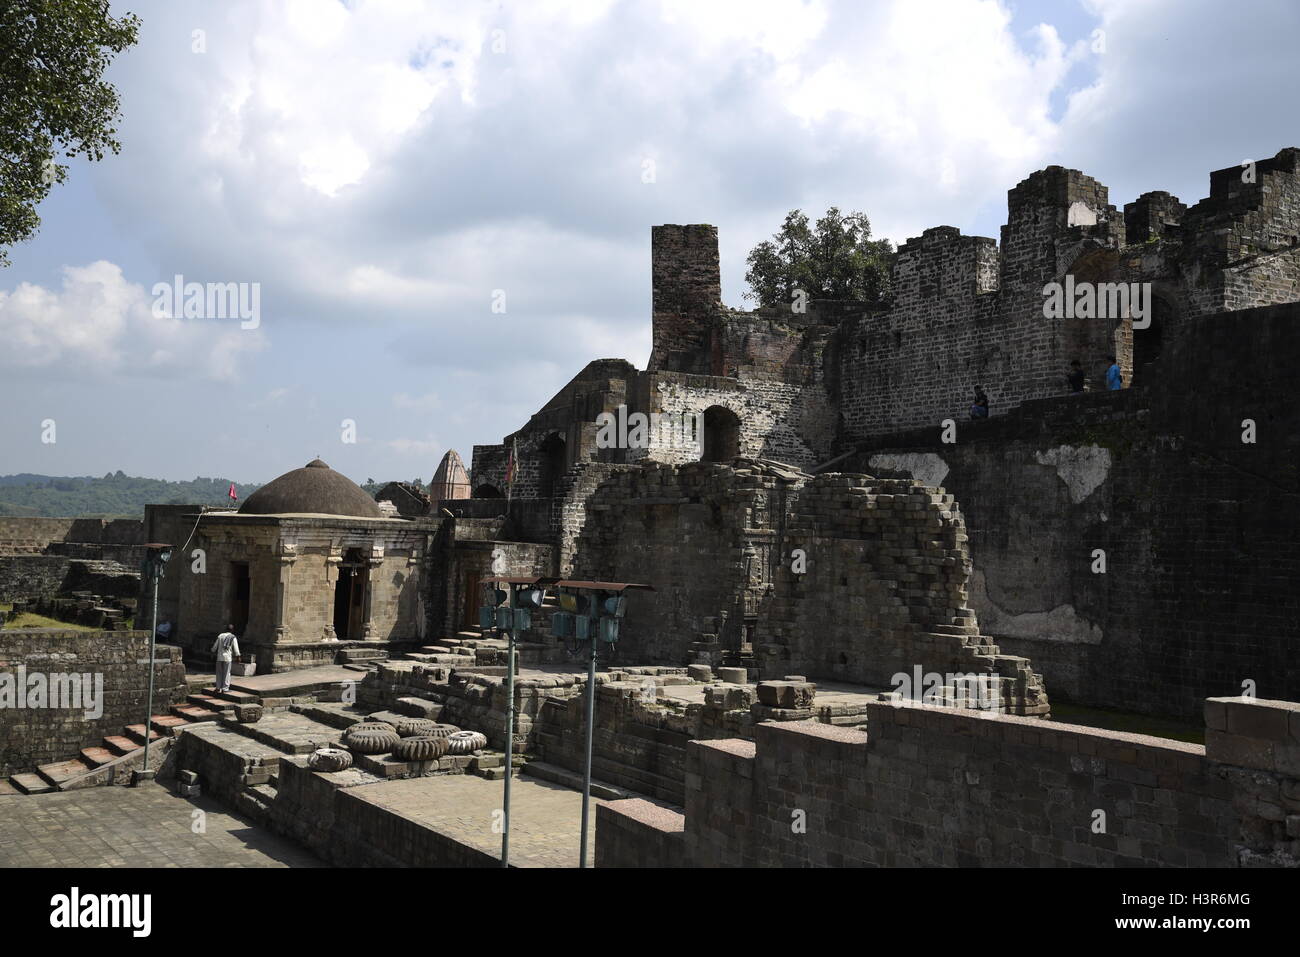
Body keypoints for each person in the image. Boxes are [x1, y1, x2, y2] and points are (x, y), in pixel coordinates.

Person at [212, 625, 240, 693]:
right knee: (227, 673)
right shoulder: (233, 637)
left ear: (225, 629)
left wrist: (212, 652)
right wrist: (238, 656)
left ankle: (218, 688)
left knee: (219, 673)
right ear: (232, 630)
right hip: (227, 658)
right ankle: (225, 688)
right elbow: (236, 649)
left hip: (219, 657)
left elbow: (215, 647)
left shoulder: (220, 636)